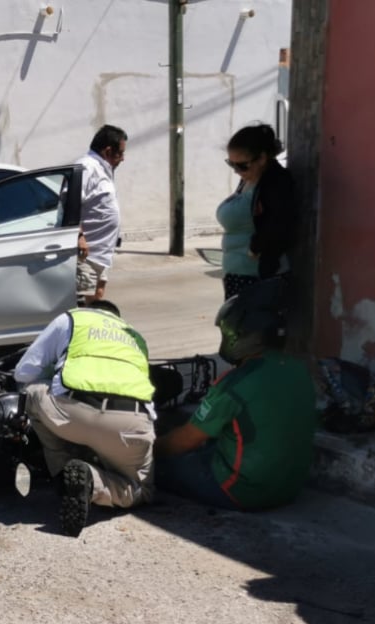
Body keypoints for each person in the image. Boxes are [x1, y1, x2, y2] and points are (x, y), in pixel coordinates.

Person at [153, 279, 318, 510]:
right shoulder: (298, 369)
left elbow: (185, 441)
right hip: (290, 488)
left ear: (241, 334)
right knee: (212, 445)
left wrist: (150, 448)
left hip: (241, 491)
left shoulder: (234, 384)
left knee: (155, 468)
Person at [13, 299, 156, 537]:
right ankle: (91, 481)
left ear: (89, 309)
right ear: (118, 319)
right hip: (130, 424)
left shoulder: (73, 319)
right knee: (140, 489)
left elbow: (24, 371)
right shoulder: (136, 337)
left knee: (32, 393)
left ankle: (62, 473)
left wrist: (52, 373)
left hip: (71, 415)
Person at [218, 123, 298, 300]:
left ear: (262, 158)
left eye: (242, 165)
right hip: (238, 274)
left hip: (257, 276)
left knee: (253, 326)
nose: (237, 171)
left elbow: (280, 222)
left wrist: (256, 247)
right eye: (232, 164)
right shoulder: (250, 178)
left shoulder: (276, 183)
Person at [75, 125, 127, 303]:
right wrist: (79, 236)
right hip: (87, 253)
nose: (123, 158)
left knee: (97, 296)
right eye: (120, 153)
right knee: (87, 300)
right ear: (107, 151)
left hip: (102, 252)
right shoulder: (87, 167)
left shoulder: (103, 168)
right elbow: (69, 203)